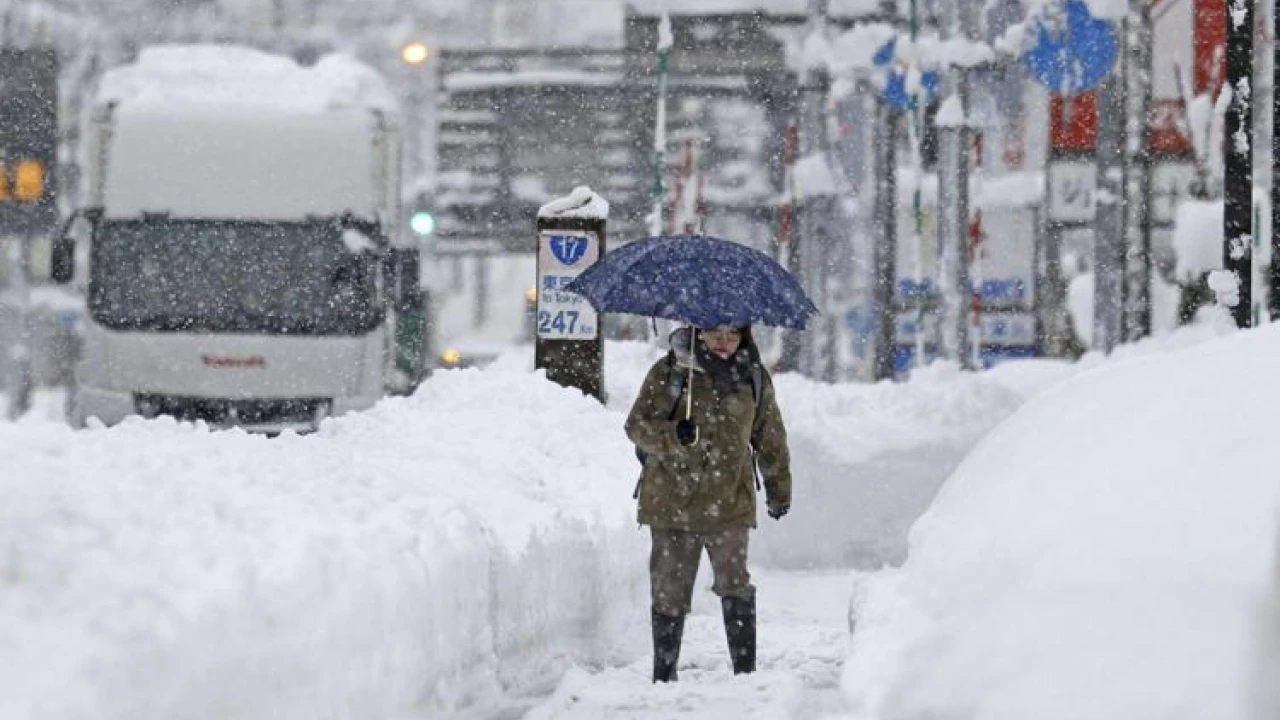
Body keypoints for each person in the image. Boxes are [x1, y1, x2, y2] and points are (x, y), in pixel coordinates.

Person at [625, 323, 792, 682]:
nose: (723, 343)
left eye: (732, 335)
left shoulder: (754, 378)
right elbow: (636, 426)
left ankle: (745, 674)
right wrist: (673, 435)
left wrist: (779, 490)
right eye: (715, 333)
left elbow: (770, 436)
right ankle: (664, 675)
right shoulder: (670, 372)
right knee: (669, 592)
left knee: (735, 584)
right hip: (671, 503)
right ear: (698, 333)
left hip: (730, 502)